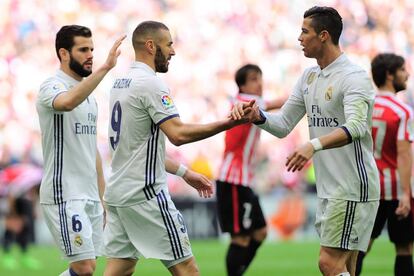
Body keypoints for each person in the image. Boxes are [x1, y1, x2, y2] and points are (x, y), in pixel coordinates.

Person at [231, 6, 380, 276]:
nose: (299, 38)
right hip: (329, 187)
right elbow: (284, 124)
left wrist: (313, 145)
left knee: (328, 264)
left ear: (323, 35)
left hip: (352, 187)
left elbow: (357, 126)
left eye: (304, 31)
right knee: (347, 267)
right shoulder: (308, 77)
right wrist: (258, 116)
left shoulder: (353, 77)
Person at [102, 21, 249, 276]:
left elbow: (140, 148)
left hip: (118, 194)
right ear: (151, 46)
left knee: (119, 269)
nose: (173, 51)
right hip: (144, 195)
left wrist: (184, 172)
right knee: (187, 269)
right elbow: (178, 134)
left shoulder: (120, 83)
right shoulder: (150, 83)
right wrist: (228, 123)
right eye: (169, 44)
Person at [36, 25, 125, 276]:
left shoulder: (90, 97)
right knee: (83, 268)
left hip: (89, 194)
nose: (90, 55)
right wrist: (106, 67)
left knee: (89, 268)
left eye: (92, 49)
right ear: (64, 54)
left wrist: (103, 196)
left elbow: (92, 150)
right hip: (64, 193)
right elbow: (66, 102)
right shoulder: (51, 86)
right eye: (83, 49)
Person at [216, 64, 285, 276]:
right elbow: (281, 102)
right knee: (241, 237)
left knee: (260, 232)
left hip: (244, 181)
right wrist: (309, 94)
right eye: (254, 79)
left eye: (260, 78)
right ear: (243, 85)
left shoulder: (243, 102)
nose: (260, 83)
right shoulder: (245, 103)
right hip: (232, 180)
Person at [355, 53, 413, 276]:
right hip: (395, 189)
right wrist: (406, 193)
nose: (406, 74)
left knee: (361, 247)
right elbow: (404, 155)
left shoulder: (365, 106)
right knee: (405, 248)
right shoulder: (403, 111)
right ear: (390, 74)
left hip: (368, 187)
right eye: (402, 70)